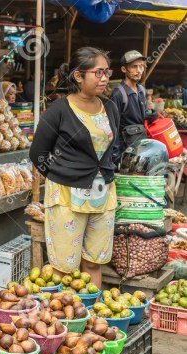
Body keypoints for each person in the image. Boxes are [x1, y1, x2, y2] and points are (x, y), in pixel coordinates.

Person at [29, 47, 120, 288]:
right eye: (98, 73)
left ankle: (90, 317)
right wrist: (61, 175)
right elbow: (37, 153)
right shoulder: (58, 111)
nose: (104, 78)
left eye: (107, 72)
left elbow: (113, 146)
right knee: (64, 266)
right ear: (79, 76)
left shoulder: (109, 108)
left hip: (102, 194)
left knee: (93, 262)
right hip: (67, 195)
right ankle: (61, 321)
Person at [109, 50, 155, 164]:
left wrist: (152, 114)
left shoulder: (141, 90)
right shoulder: (118, 94)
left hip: (139, 148)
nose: (139, 71)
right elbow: (112, 127)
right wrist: (116, 158)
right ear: (124, 69)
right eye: (134, 67)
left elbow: (142, 115)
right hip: (123, 151)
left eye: (141, 66)